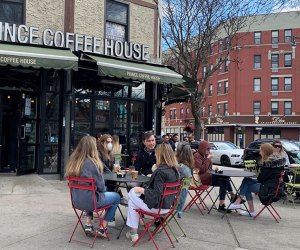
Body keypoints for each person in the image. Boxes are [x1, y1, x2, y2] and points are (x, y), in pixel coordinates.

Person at [65, 136, 120, 236]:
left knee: (89, 193)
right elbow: (102, 187)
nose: (96, 147)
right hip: (91, 202)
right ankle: (103, 227)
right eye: (95, 145)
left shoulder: (73, 162)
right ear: (92, 148)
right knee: (116, 197)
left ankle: (88, 223)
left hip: (76, 201)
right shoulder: (92, 164)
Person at [126, 143, 180, 242]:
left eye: (156, 153)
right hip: (168, 207)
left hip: (157, 207)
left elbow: (156, 194)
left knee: (132, 193)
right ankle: (133, 232)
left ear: (160, 155)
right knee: (134, 199)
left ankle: (133, 232)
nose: (155, 155)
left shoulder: (160, 171)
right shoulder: (175, 170)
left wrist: (140, 189)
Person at [227, 143, 285, 216]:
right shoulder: (279, 161)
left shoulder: (267, 163)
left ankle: (241, 204)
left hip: (269, 189)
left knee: (247, 183)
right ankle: (242, 204)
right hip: (276, 187)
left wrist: (255, 175)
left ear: (265, 152)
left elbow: (261, 179)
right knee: (247, 181)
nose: (259, 152)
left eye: (260, 151)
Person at [194, 140, 235, 212]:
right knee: (224, 178)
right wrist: (208, 159)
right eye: (207, 149)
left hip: (207, 176)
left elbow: (209, 168)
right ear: (202, 148)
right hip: (200, 179)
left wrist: (214, 169)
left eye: (209, 149)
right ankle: (232, 196)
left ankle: (223, 204)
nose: (209, 151)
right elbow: (201, 170)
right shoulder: (196, 156)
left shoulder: (205, 156)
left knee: (224, 178)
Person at [175, 142, 194, 218]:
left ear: (180, 152)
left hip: (173, 199)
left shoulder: (180, 167)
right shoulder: (189, 167)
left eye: (176, 150)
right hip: (180, 201)